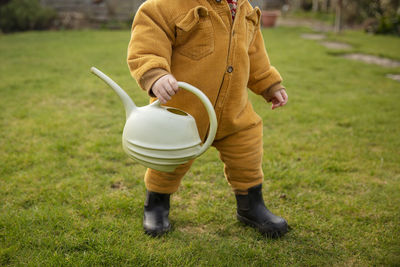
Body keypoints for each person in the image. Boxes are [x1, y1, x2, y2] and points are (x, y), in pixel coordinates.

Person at [127, 0, 289, 238]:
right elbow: (146, 45)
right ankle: (156, 205)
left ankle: (251, 205)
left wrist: (269, 84)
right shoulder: (165, 6)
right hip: (181, 113)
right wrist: (156, 74)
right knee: (168, 162)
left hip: (235, 113)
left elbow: (254, 53)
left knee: (247, 155)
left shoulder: (243, 9)